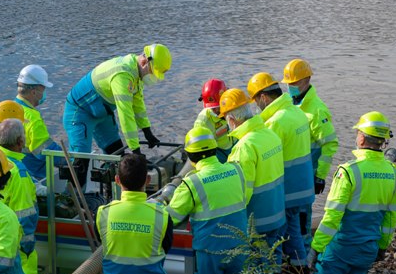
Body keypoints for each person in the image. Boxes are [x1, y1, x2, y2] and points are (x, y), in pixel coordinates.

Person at [309, 112, 396, 274]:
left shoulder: (348, 172)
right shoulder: (393, 173)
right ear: (383, 141)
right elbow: (390, 218)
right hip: (367, 248)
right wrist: (382, 247)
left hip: (342, 248)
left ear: (361, 138)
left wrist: (315, 248)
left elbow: (332, 217)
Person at [166, 127, 249, 274]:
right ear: (214, 149)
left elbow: (172, 217)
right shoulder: (236, 170)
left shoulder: (192, 183)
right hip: (239, 247)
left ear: (190, 157)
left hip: (210, 252)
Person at [219, 89, 286, 274]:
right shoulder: (268, 134)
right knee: (268, 265)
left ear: (232, 119)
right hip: (276, 211)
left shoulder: (244, 147)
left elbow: (241, 192)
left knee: (258, 269)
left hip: (258, 219)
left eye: (225, 119)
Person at [247, 72, 314, 274]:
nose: (256, 106)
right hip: (302, 188)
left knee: (275, 239)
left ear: (264, 97)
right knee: (294, 235)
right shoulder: (296, 112)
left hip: (285, 193)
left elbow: (268, 157)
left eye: (256, 101)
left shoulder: (275, 122)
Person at [63, 44, 171, 180]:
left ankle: (111, 189)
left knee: (116, 153)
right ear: (144, 62)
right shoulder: (123, 75)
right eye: (152, 72)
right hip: (80, 111)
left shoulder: (136, 73)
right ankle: (74, 193)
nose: (152, 77)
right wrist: (136, 151)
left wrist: (147, 132)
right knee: (81, 161)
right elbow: (125, 114)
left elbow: (138, 106)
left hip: (103, 111)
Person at [282, 59, 339, 248]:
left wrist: (320, 176)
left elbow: (330, 144)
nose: (290, 86)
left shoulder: (316, 110)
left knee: (302, 219)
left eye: (295, 82)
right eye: (288, 83)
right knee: (289, 217)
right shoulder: (290, 104)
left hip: (307, 175)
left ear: (306, 80)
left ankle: (304, 255)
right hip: (291, 173)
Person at [0, 118, 40, 274]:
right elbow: (25, 215)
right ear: (20, 141)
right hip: (16, 242)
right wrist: (27, 247)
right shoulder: (18, 173)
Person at [14, 65, 63, 181]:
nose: (44, 94)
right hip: (33, 176)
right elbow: (45, 151)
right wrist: (70, 160)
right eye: (43, 90)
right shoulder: (32, 118)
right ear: (34, 92)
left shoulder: (9, 108)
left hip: (14, 171)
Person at [193, 78, 234, 163]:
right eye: (212, 107)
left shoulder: (233, 106)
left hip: (234, 145)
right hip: (218, 152)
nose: (216, 110)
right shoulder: (202, 122)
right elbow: (201, 150)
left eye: (218, 106)